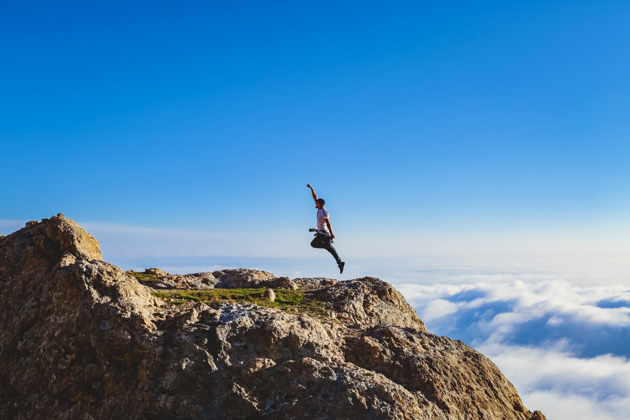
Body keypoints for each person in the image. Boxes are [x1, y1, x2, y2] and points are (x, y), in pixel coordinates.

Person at [307, 184, 345, 273]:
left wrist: (331, 234)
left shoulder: (324, 212)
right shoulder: (319, 209)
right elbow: (314, 196)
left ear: (320, 204)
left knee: (326, 248)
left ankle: (340, 262)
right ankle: (340, 262)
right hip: (320, 233)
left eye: (316, 203)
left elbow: (328, 223)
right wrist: (311, 188)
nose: (315, 203)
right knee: (316, 245)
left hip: (324, 234)